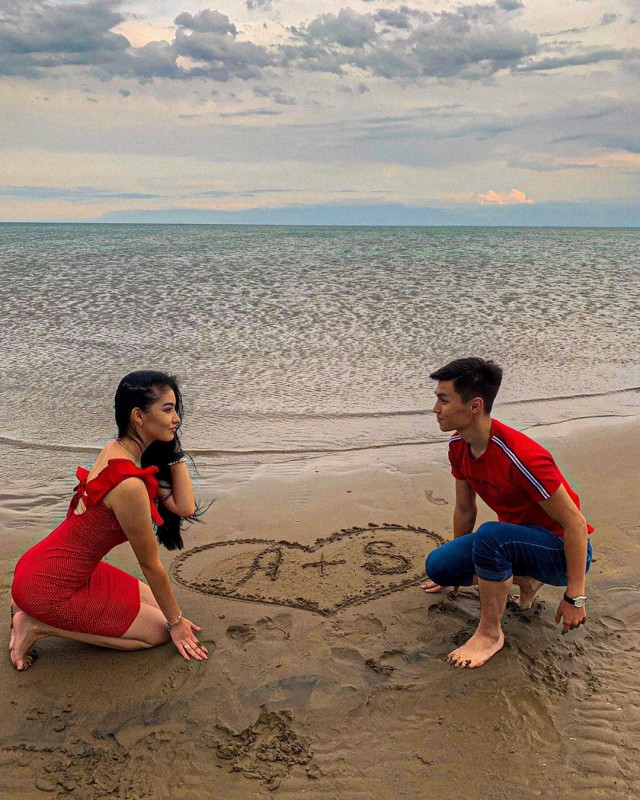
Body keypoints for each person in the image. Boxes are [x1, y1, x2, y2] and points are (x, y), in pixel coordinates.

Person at [9, 370, 208, 671]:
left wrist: (174, 449)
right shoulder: (129, 485)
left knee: (158, 607)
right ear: (138, 416)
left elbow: (184, 506)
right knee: (160, 631)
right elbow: (150, 565)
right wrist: (177, 622)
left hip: (53, 568)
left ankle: (32, 613)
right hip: (47, 587)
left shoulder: (117, 451)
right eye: (168, 410)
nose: (176, 418)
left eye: (175, 409)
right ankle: (35, 625)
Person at [421, 357, 592, 669]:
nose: (435, 408)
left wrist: (575, 597)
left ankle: (490, 634)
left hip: (559, 553)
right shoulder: (459, 445)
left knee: (491, 536)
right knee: (438, 566)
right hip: (515, 542)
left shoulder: (522, 456)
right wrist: (457, 565)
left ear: (474, 406)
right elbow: (465, 508)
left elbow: (576, 524)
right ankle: (526, 582)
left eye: (443, 400)